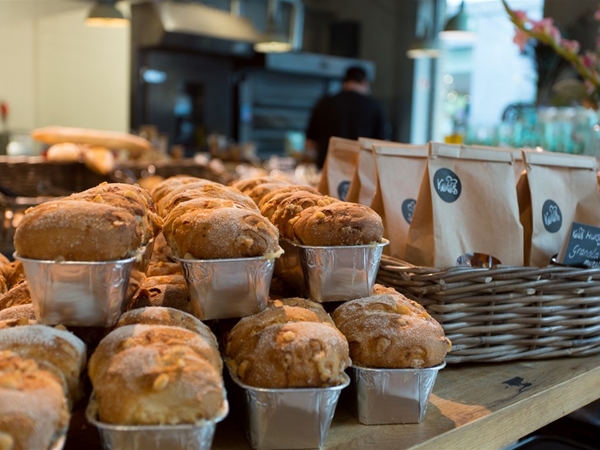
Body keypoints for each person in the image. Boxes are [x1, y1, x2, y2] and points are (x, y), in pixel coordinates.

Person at [305, 66, 388, 169]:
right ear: (364, 82)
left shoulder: (324, 103)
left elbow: (310, 143)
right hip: (359, 171)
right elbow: (381, 145)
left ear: (344, 82)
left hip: (327, 168)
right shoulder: (375, 106)